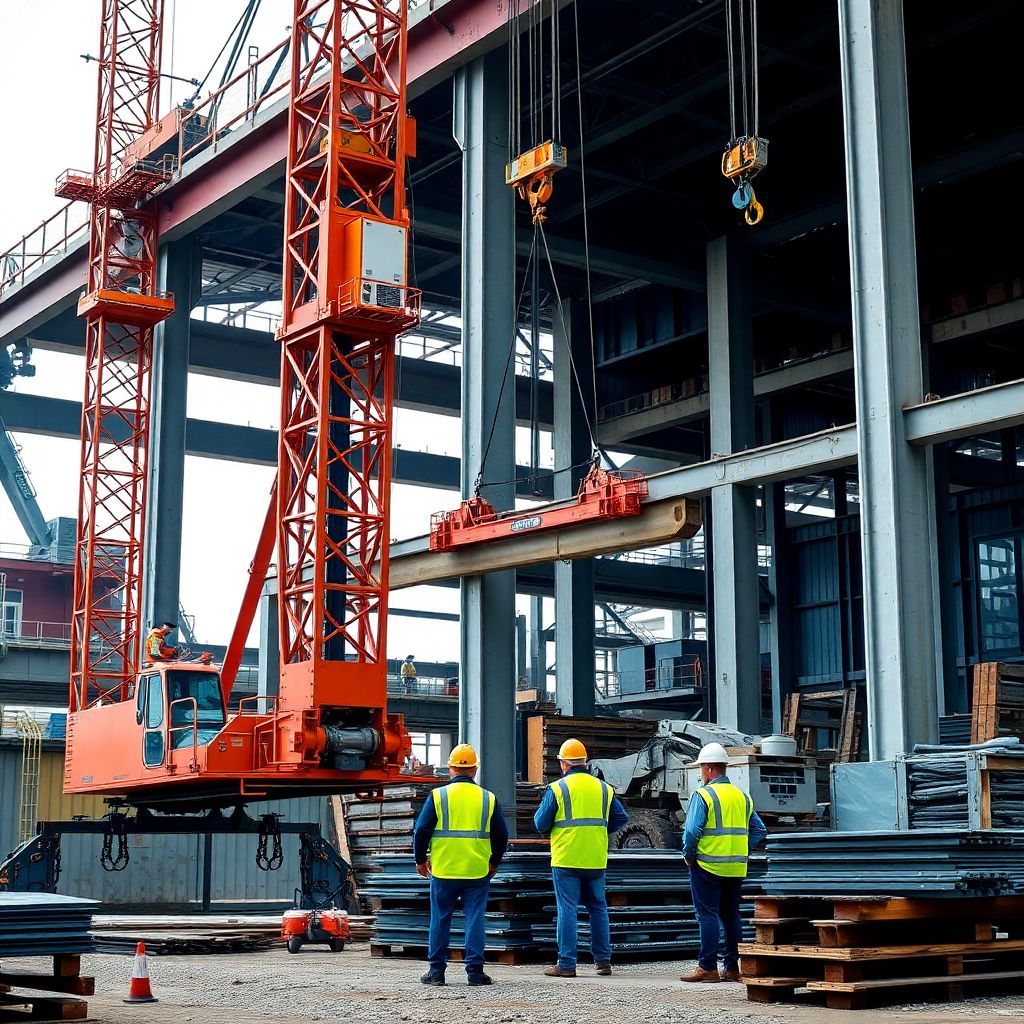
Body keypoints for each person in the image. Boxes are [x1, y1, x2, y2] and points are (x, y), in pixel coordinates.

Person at [414, 743, 509, 987]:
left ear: (451, 769)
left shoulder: (438, 796)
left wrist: (420, 860)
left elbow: (421, 831)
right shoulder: (488, 798)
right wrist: (494, 862)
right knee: (475, 918)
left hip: (444, 869)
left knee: (440, 918)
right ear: (475, 769)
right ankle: (475, 972)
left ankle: (436, 972)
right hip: (477, 870)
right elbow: (501, 835)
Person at [533, 738, 629, 978]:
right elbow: (620, 818)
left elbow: (540, 823)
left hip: (566, 857)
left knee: (567, 908)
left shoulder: (558, 788)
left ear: (564, 764)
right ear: (585, 763)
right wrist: (596, 830)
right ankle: (603, 961)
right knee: (598, 908)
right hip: (595, 857)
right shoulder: (603, 788)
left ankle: (566, 964)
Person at [679, 741, 768, 984]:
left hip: (707, 865)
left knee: (706, 914)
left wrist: (689, 857)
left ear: (708, 768)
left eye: (701, 768)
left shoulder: (704, 795)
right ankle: (732, 967)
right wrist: (741, 849)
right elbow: (760, 830)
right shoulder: (742, 796)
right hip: (736, 867)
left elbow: (692, 832)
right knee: (731, 916)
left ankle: (707, 967)